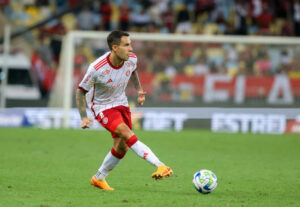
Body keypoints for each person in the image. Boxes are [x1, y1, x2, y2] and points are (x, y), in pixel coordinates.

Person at [76, 30, 173, 191]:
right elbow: (80, 91)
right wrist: (83, 117)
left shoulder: (131, 59)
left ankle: (98, 178)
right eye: (127, 45)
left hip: (121, 101)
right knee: (126, 133)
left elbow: (133, 71)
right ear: (115, 47)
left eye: (131, 44)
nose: (131, 49)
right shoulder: (96, 68)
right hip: (102, 106)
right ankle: (160, 165)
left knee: (122, 146)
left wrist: (140, 90)